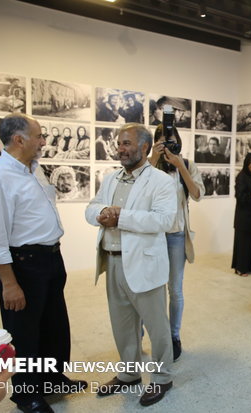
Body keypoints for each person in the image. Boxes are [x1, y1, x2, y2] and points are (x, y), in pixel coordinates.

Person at [0, 114, 86, 413]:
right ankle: (27, 395)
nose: (43, 141)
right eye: (39, 136)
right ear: (19, 139)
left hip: (50, 258)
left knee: (54, 325)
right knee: (24, 332)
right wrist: (9, 283)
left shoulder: (33, 170)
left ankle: (51, 380)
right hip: (23, 264)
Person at [85, 123, 177, 407]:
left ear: (145, 147)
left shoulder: (161, 181)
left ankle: (163, 378)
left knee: (156, 326)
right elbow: (92, 207)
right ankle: (129, 374)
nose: (120, 148)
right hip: (111, 262)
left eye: (126, 143)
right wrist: (101, 212)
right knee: (122, 325)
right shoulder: (111, 178)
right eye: (119, 143)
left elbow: (164, 220)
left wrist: (120, 217)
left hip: (143, 264)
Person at [149, 123, 204, 361]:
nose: (166, 144)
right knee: (151, 288)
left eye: (170, 139)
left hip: (176, 235)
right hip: (152, 236)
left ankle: (174, 336)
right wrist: (152, 158)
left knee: (175, 289)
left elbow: (197, 194)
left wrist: (181, 167)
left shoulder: (188, 165)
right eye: (161, 140)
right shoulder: (148, 167)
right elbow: (136, 191)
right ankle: (155, 334)